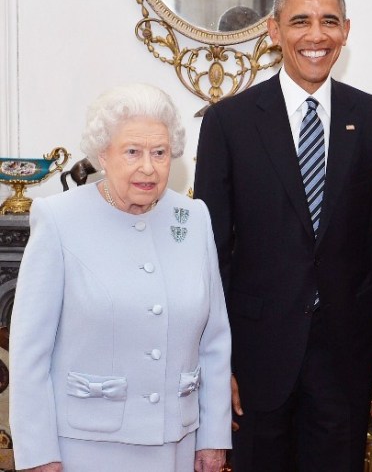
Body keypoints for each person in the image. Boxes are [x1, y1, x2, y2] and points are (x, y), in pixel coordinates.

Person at [193, 0, 372, 471]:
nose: (316, 35)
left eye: (329, 21)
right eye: (300, 21)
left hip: (346, 358)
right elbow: (211, 254)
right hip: (255, 358)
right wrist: (216, 360)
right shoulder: (228, 123)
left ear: (346, 30)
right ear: (274, 31)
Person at [9, 83, 232, 472]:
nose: (148, 166)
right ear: (102, 155)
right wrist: (39, 454)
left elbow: (214, 341)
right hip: (84, 447)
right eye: (133, 152)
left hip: (176, 443)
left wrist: (213, 437)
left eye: (159, 153)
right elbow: (30, 351)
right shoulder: (59, 220)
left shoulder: (193, 219)